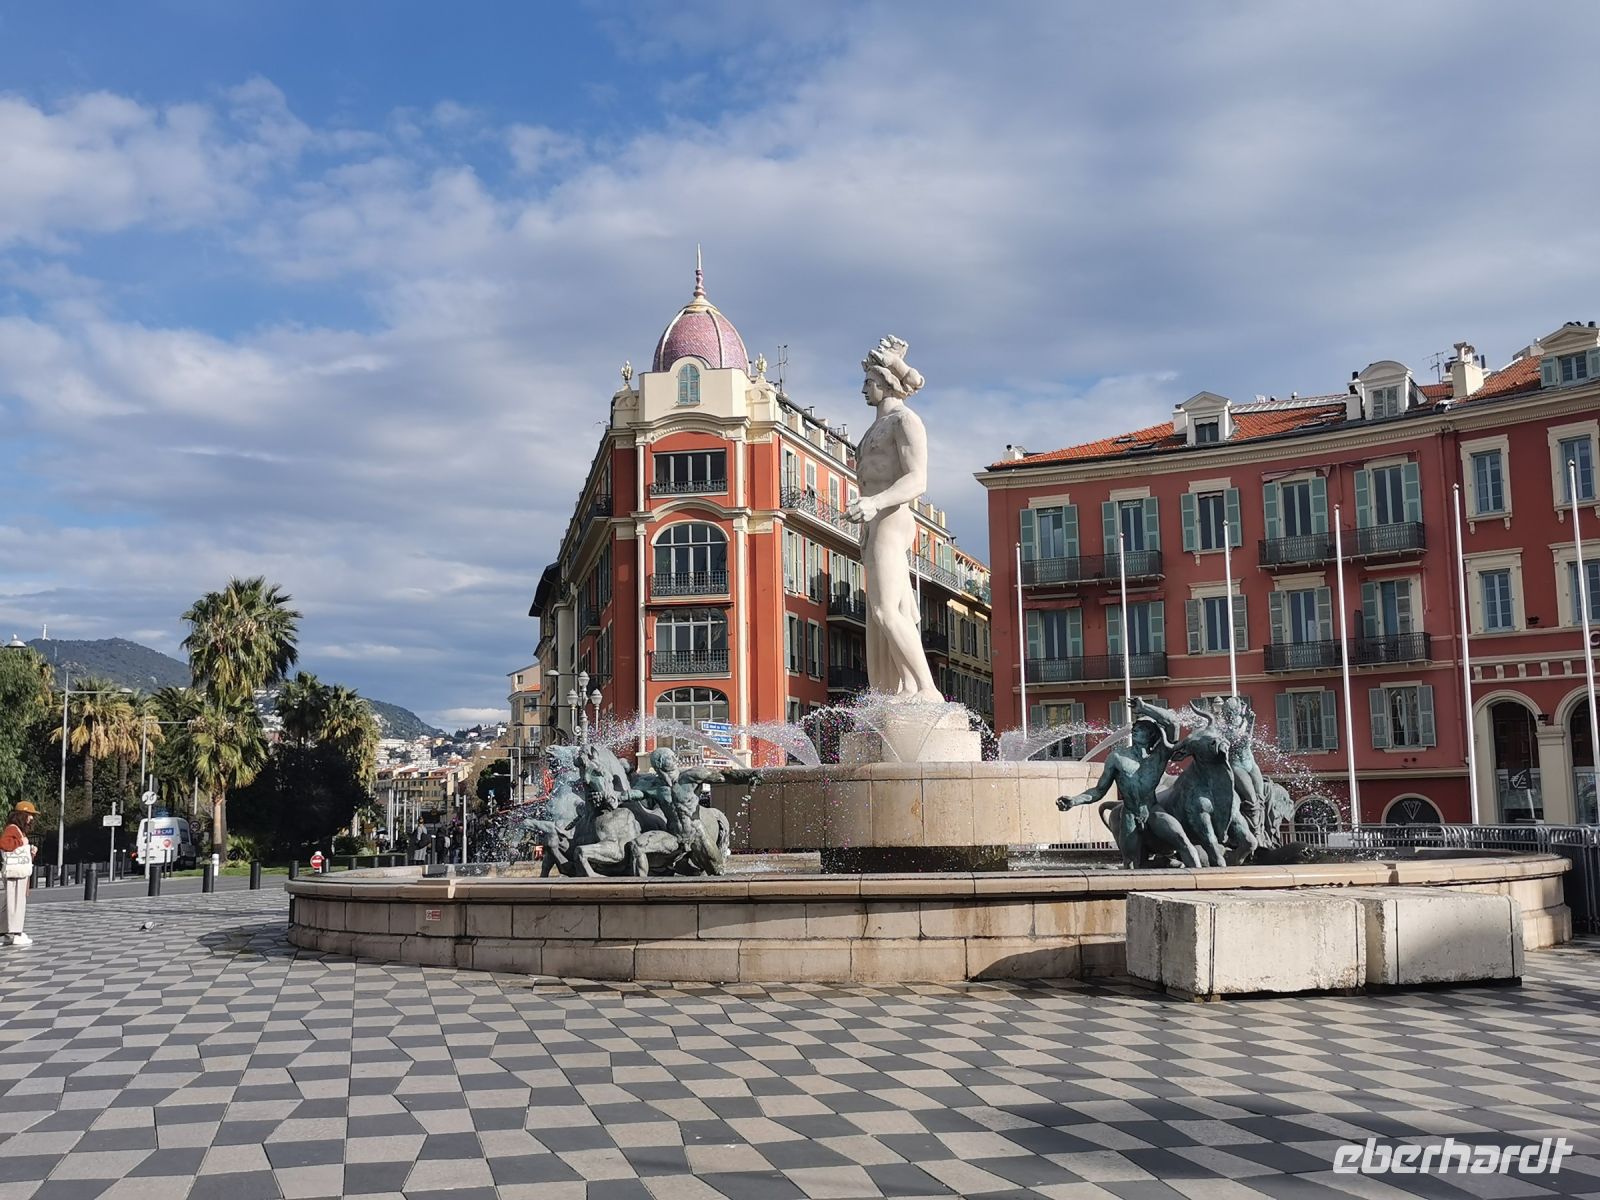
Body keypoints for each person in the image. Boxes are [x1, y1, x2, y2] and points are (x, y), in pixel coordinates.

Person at [846, 336, 942, 700]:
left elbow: (918, 479)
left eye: (868, 382)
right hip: (874, 521)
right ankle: (905, 686)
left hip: (891, 516)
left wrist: (875, 503)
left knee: (886, 610)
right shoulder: (875, 428)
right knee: (885, 612)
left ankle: (928, 689)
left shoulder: (906, 420)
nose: (863, 389)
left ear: (886, 383)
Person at [1, 801, 40, 948]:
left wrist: (29, 851)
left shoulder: (16, 830)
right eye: (30, 815)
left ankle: (6, 933)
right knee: (16, 903)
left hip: (17, 872)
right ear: (22, 815)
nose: (32, 818)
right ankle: (15, 933)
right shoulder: (13, 829)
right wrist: (22, 843)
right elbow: (4, 844)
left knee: (12, 902)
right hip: (16, 873)